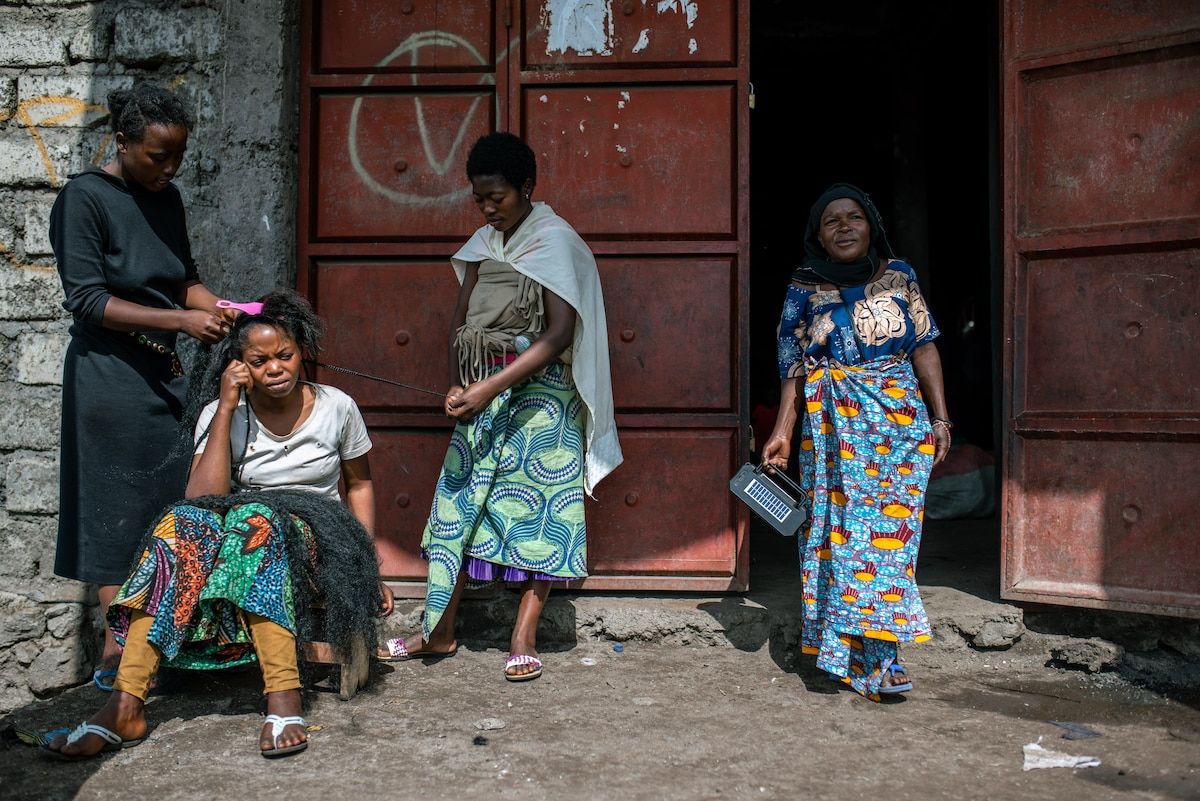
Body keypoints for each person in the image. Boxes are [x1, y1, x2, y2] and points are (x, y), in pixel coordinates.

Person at [42, 291, 393, 760]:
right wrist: (227, 407)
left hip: (316, 537)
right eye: (260, 360)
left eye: (285, 355)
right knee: (184, 523)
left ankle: (283, 695)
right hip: (241, 537)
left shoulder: (336, 406)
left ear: (301, 350)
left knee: (255, 518)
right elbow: (203, 499)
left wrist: (366, 563)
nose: (275, 368)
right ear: (240, 364)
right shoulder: (222, 413)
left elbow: (360, 486)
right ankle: (126, 702)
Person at [378, 132, 622, 681]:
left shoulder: (555, 243)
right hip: (483, 394)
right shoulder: (484, 244)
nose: (488, 208)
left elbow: (558, 335)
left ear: (528, 189)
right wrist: (458, 385)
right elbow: (461, 324)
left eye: (498, 198)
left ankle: (524, 633)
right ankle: (437, 632)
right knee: (457, 508)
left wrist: (491, 386)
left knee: (540, 511)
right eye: (479, 199)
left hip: (545, 399)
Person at [49, 83, 234, 691]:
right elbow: (88, 300)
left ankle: (149, 646)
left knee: (165, 509)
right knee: (116, 515)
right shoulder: (85, 198)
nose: (171, 167)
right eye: (158, 155)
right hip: (109, 376)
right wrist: (182, 321)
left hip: (165, 377)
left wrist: (225, 311)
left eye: (178, 154)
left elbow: (185, 281)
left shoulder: (167, 197)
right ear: (122, 142)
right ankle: (117, 655)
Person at [761, 183, 950, 701]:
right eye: (831, 221)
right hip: (833, 425)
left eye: (854, 218)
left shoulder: (900, 276)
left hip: (900, 422)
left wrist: (941, 418)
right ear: (818, 237)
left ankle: (874, 653)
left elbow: (925, 345)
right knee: (841, 535)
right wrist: (781, 430)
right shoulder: (804, 285)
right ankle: (867, 660)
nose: (844, 227)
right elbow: (792, 366)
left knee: (893, 543)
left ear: (871, 225)